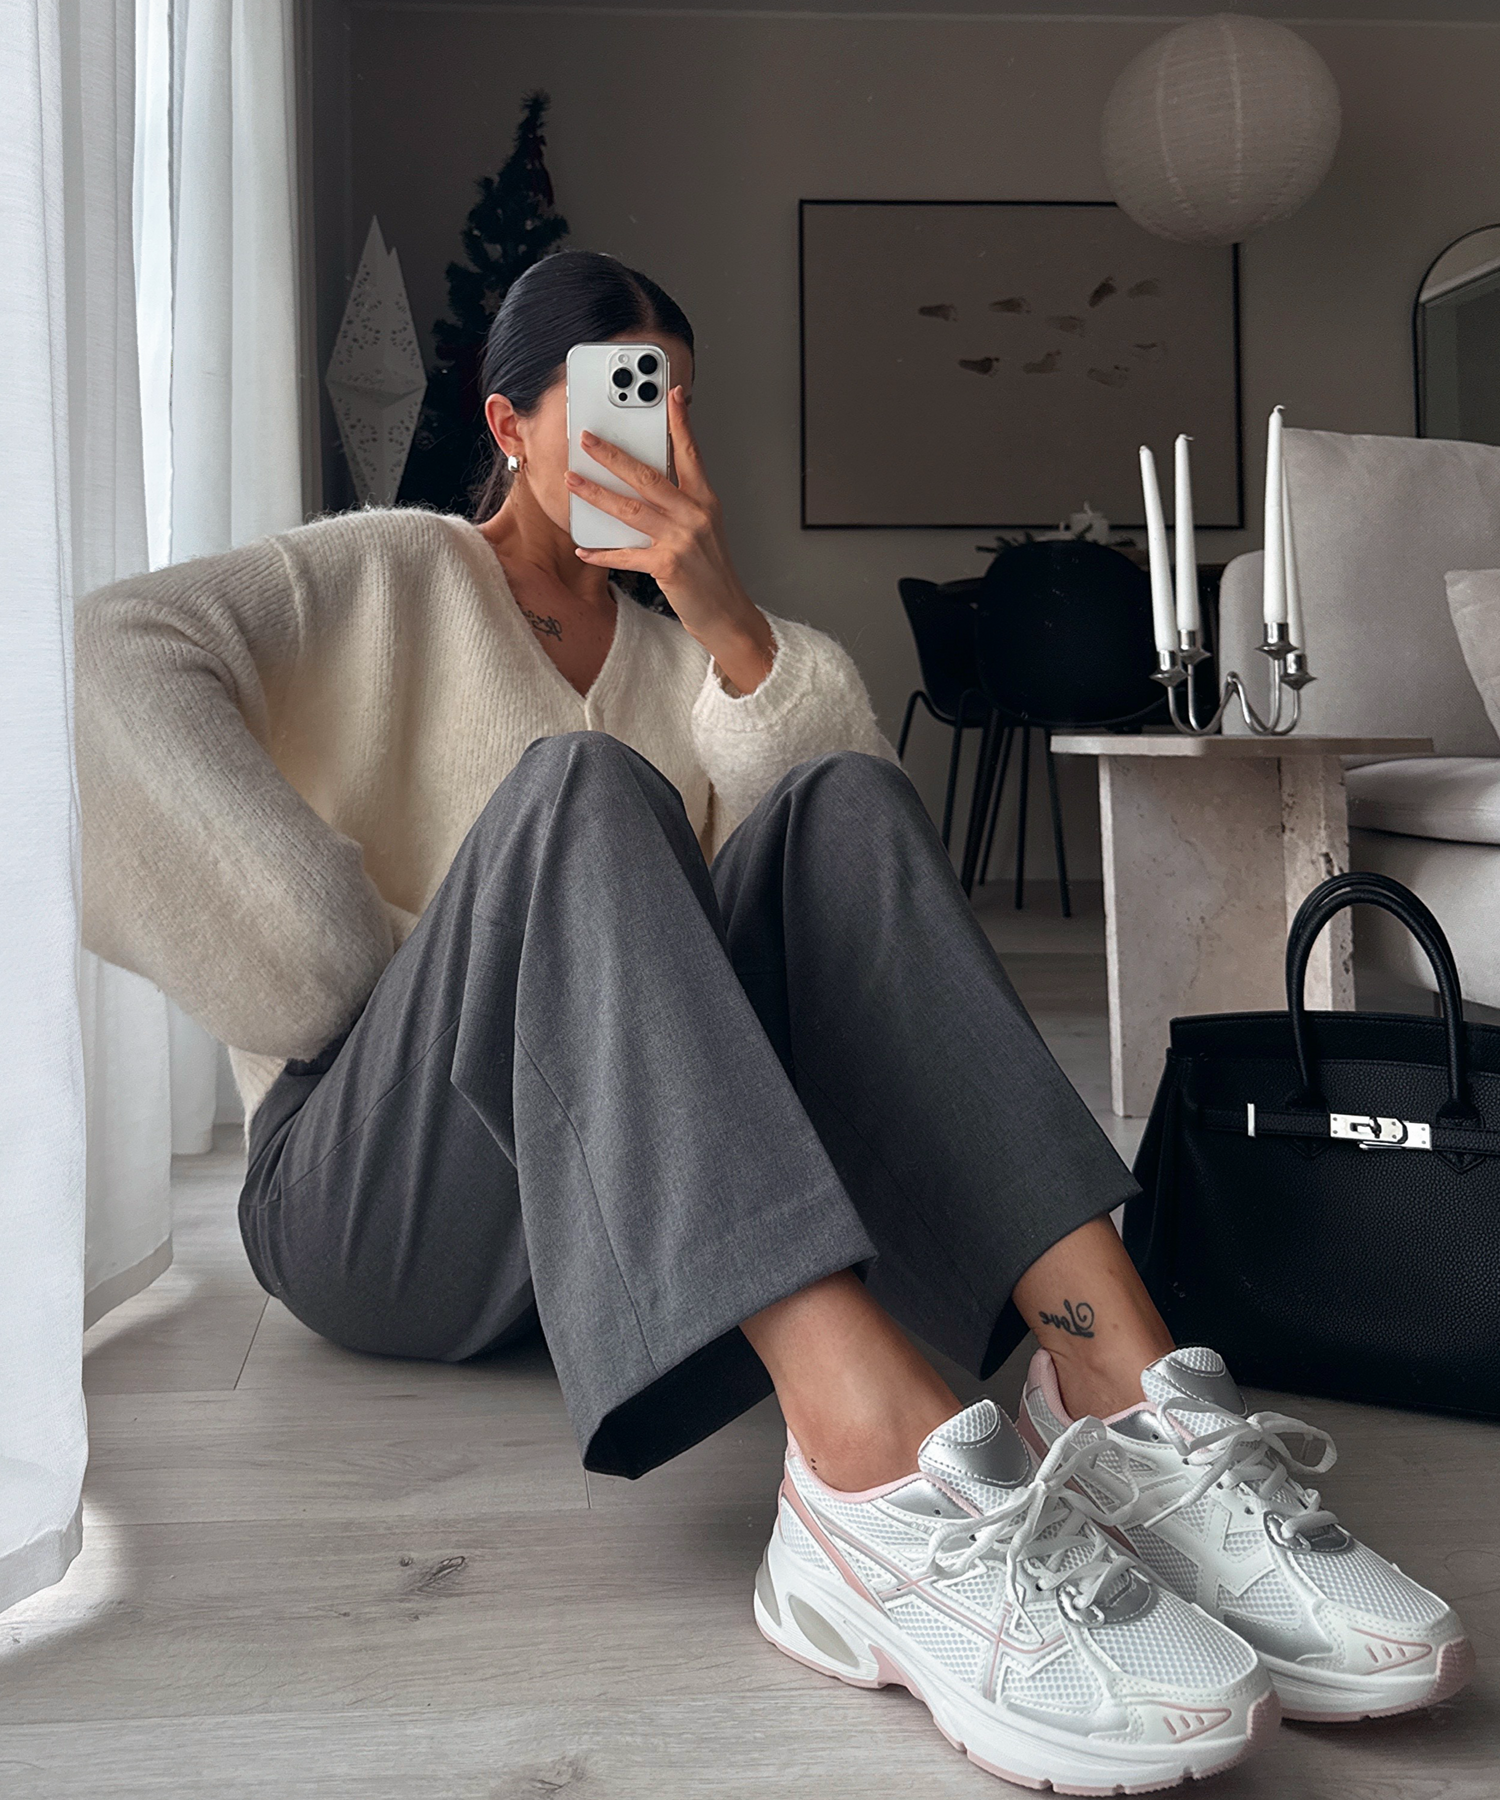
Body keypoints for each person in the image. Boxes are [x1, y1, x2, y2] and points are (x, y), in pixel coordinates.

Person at [75, 248, 1470, 1790]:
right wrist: (326, 941)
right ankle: (862, 1477)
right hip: (368, 1189)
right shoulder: (395, 570)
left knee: (845, 801)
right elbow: (112, 650)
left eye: (676, 402)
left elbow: (837, 933)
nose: (656, 433)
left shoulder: (686, 650)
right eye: (621, 397)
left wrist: (723, 616)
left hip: (605, 1211)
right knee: (580, 787)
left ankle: (1117, 1385)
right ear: (511, 423)